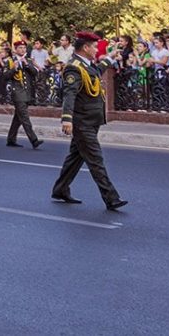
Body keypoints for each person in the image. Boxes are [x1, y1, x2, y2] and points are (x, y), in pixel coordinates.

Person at [52, 31, 127, 211]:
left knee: (75, 158)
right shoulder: (73, 68)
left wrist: (110, 58)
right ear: (86, 48)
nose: (96, 49)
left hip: (91, 120)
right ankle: (111, 198)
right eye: (94, 46)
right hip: (82, 122)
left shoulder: (86, 65)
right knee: (95, 159)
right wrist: (67, 119)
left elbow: (96, 72)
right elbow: (69, 94)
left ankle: (60, 189)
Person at [2, 41, 43, 149]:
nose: (22, 50)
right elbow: (5, 76)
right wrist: (14, 68)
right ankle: (34, 140)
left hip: (27, 92)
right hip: (17, 92)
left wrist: (27, 64)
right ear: (15, 49)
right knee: (24, 117)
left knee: (18, 117)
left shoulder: (28, 60)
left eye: (24, 48)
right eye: (20, 48)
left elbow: (35, 73)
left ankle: (11, 139)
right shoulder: (10, 61)